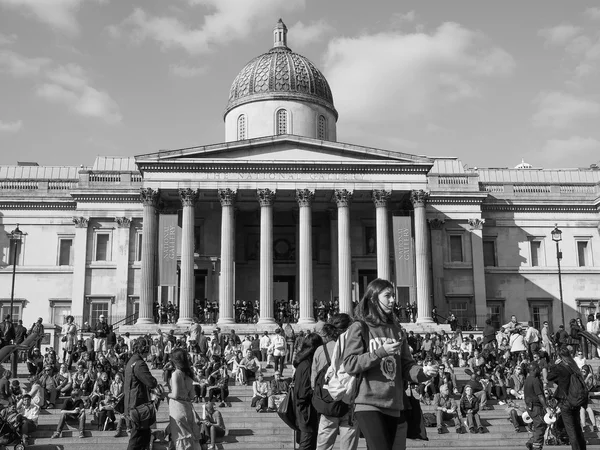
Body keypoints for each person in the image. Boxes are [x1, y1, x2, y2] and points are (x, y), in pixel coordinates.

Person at [343, 278, 438, 450]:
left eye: (393, 295)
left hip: (395, 404)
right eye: (387, 296)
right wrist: (380, 352)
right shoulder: (360, 327)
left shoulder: (397, 329)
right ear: (373, 298)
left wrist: (424, 372)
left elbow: (407, 366)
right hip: (368, 403)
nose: (393, 300)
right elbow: (349, 364)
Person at [311, 313, 359, 450]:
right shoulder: (357, 348)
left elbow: (314, 381)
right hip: (351, 403)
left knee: (323, 446)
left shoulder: (321, 350)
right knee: (349, 446)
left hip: (328, 404)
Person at [547, 346, 587, 450]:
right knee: (577, 428)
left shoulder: (560, 367)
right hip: (575, 400)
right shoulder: (574, 365)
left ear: (560, 356)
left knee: (571, 430)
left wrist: (555, 365)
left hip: (565, 401)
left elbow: (549, 377)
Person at [125, 338, 158, 450]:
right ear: (144, 348)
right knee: (137, 440)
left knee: (143, 438)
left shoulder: (131, 361)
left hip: (132, 404)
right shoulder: (139, 364)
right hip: (138, 406)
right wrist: (155, 381)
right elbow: (151, 382)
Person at [293, 332, 323, 450]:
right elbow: (303, 393)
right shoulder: (306, 365)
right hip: (306, 413)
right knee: (307, 445)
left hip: (303, 412)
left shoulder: (302, 363)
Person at [168, 348, 202, 450]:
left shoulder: (175, 374)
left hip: (177, 408)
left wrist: (165, 394)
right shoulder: (188, 375)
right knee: (191, 441)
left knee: (181, 442)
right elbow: (192, 396)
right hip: (188, 409)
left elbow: (175, 394)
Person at [523, 362, 551, 450]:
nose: (540, 370)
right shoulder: (535, 380)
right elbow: (540, 395)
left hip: (530, 406)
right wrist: (546, 408)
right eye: (538, 368)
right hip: (536, 407)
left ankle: (531, 442)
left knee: (538, 425)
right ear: (535, 370)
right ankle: (536, 446)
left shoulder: (527, 379)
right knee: (540, 427)